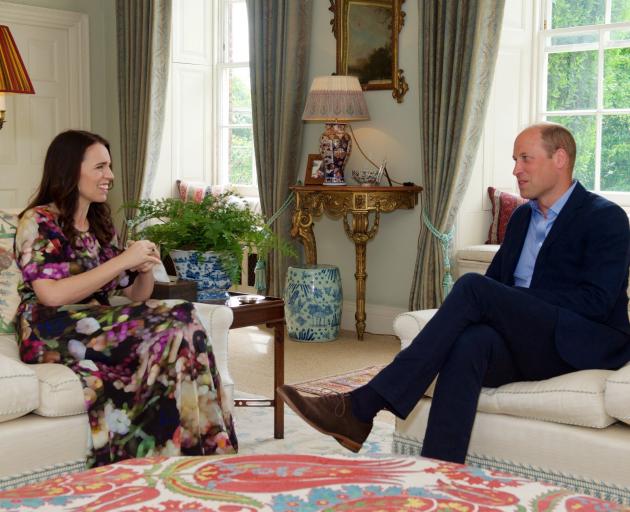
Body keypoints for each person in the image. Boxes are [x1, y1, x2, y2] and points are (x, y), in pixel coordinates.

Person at [278, 123, 630, 462]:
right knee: (469, 343)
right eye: (514, 160)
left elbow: (596, 303)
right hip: (526, 341)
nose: (516, 170)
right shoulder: (522, 219)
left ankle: (362, 405)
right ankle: (439, 472)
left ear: (560, 159)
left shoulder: (605, 218)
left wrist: (517, 305)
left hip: (576, 341)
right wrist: (509, 307)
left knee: (474, 288)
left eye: (525, 159)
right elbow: (498, 288)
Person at [14, 130, 237, 467]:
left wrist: (145, 266)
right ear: (71, 170)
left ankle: (198, 451)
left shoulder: (99, 224)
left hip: (98, 324)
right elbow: (50, 294)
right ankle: (187, 452)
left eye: (110, 167)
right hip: (51, 330)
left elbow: (134, 294)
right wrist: (123, 260)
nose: (111, 176)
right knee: (176, 317)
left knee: (182, 320)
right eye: (101, 167)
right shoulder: (39, 221)